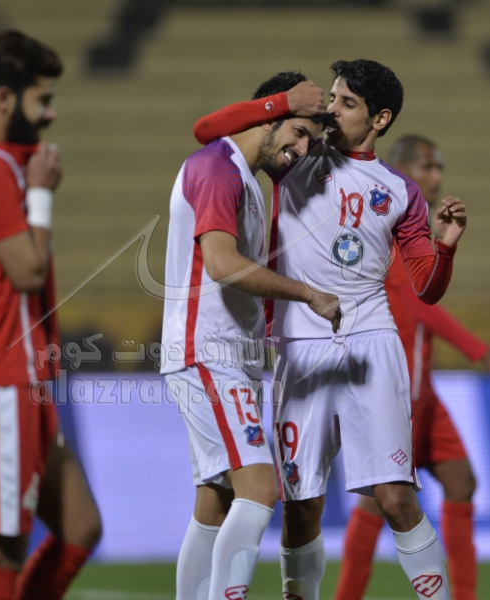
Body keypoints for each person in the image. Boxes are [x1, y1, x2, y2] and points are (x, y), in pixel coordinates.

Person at [192, 60, 467, 600]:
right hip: (300, 346)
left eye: (347, 103)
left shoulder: (401, 191)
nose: (332, 111)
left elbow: (426, 287)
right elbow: (209, 132)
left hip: (372, 346)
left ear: (380, 119)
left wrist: (447, 247)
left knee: (396, 497)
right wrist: (280, 105)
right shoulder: (296, 155)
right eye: (333, 98)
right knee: (301, 505)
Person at [161, 71, 341, 600]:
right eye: (299, 133)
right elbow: (221, 264)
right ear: (269, 118)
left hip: (225, 355)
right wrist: (308, 294)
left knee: (215, 499)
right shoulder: (218, 169)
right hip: (206, 351)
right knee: (260, 487)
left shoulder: (244, 176)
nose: (301, 149)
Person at [0, 30, 102, 600]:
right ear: (4, 100)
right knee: (0, 551)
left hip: (13, 383)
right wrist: (42, 196)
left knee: (80, 526)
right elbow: (28, 271)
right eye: (42, 101)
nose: (50, 114)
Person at [334, 135, 490, 600]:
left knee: (461, 481)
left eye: (439, 168)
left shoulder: (419, 231)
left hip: (425, 394)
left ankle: (464, 595)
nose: (437, 177)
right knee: (380, 502)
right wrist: (476, 348)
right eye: (427, 167)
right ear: (402, 172)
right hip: (394, 391)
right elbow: (422, 305)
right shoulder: (391, 229)